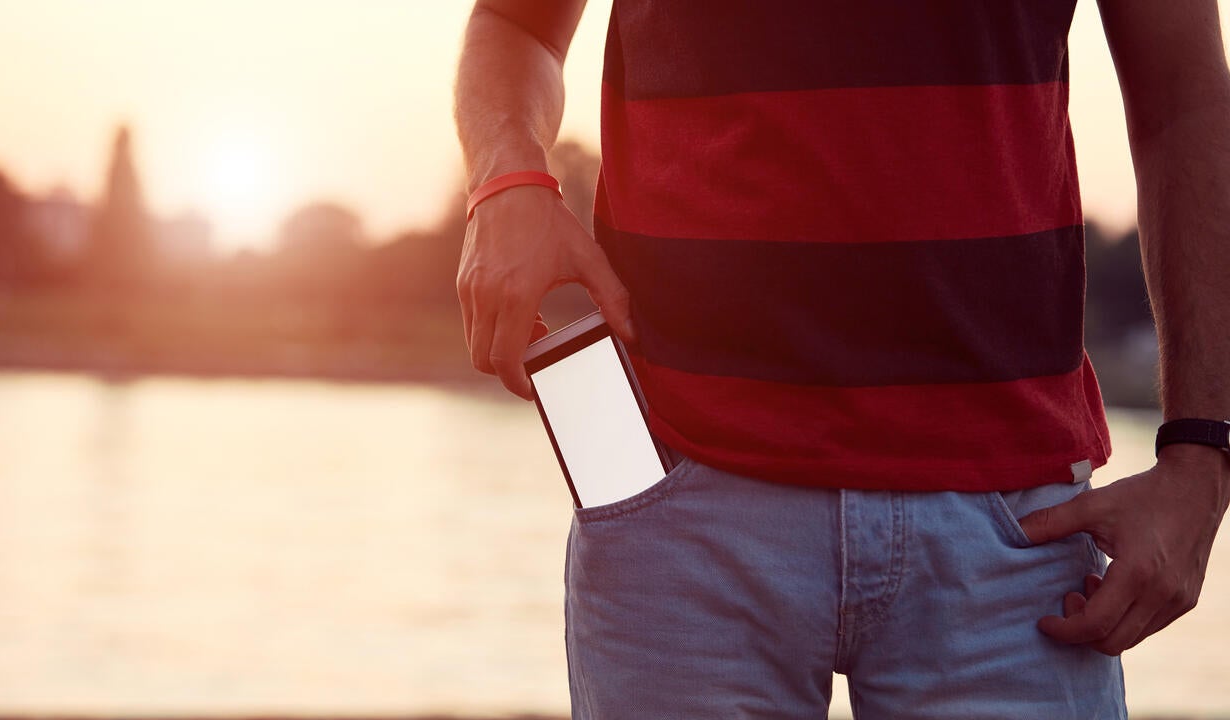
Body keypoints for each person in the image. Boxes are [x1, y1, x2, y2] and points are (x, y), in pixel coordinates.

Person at [453, 1, 1230, 717]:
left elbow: (1186, 97)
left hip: (1013, 525)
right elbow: (516, 24)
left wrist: (1206, 455)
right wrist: (505, 177)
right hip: (678, 495)